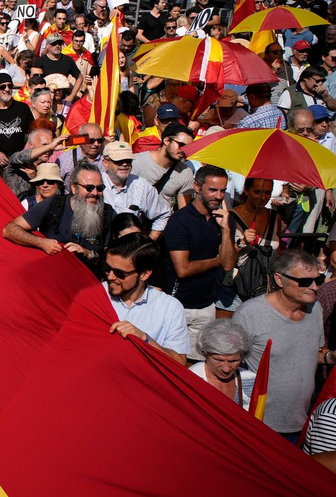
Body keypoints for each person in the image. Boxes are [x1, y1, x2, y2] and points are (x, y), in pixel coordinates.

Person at [235, 250, 336, 442]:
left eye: (318, 280)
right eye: (304, 282)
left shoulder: (315, 309)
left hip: (301, 424)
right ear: (279, 279)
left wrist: (329, 357)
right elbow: (229, 365)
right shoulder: (249, 314)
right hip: (258, 424)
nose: (314, 287)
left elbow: (313, 352)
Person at [163, 165, 239, 358]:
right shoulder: (180, 221)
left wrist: (227, 230)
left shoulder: (225, 220)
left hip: (206, 305)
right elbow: (183, 269)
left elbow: (228, 264)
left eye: (223, 190)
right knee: (176, 364)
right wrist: (217, 260)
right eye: (213, 190)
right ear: (197, 187)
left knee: (199, 363)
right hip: (178, 305)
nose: (218, 196)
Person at [3, 161, 114, 274]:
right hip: (52, 277)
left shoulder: (108, 213)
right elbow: (9, 229)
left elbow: (114, 257)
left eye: (100, 188)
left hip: (89, 281)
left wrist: (88, 254)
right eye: (89, 188)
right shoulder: (53, 205)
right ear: (74, 188)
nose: (95, 193)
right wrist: (42, 243)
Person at [103, 233, 189, 365]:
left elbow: (179, 363)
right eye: (107, 269)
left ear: (144, 274)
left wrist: (144, 338)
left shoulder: (170, 308)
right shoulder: (96, 294)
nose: (110, 277)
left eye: (120, 273)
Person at [100, 140, 171, 238]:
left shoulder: (142, 185)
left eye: (128, 161)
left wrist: (149, 241)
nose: (124, 164)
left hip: (130, 248)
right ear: (105, 163)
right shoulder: (96, 184)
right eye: (119, 161)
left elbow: (163, 214)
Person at [189, 319, 256, 410]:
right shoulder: (191, 380)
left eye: (233, 361)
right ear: (205, 353)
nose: (226, 369)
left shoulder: (251, 380)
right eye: (218, 360)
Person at [132, 123, 195, 209]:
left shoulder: (185, 172)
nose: (184, 150)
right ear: (167, 141)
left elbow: (184, 211)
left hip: (165, 220)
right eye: (182, 145)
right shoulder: (137, 162)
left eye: (188, 148)